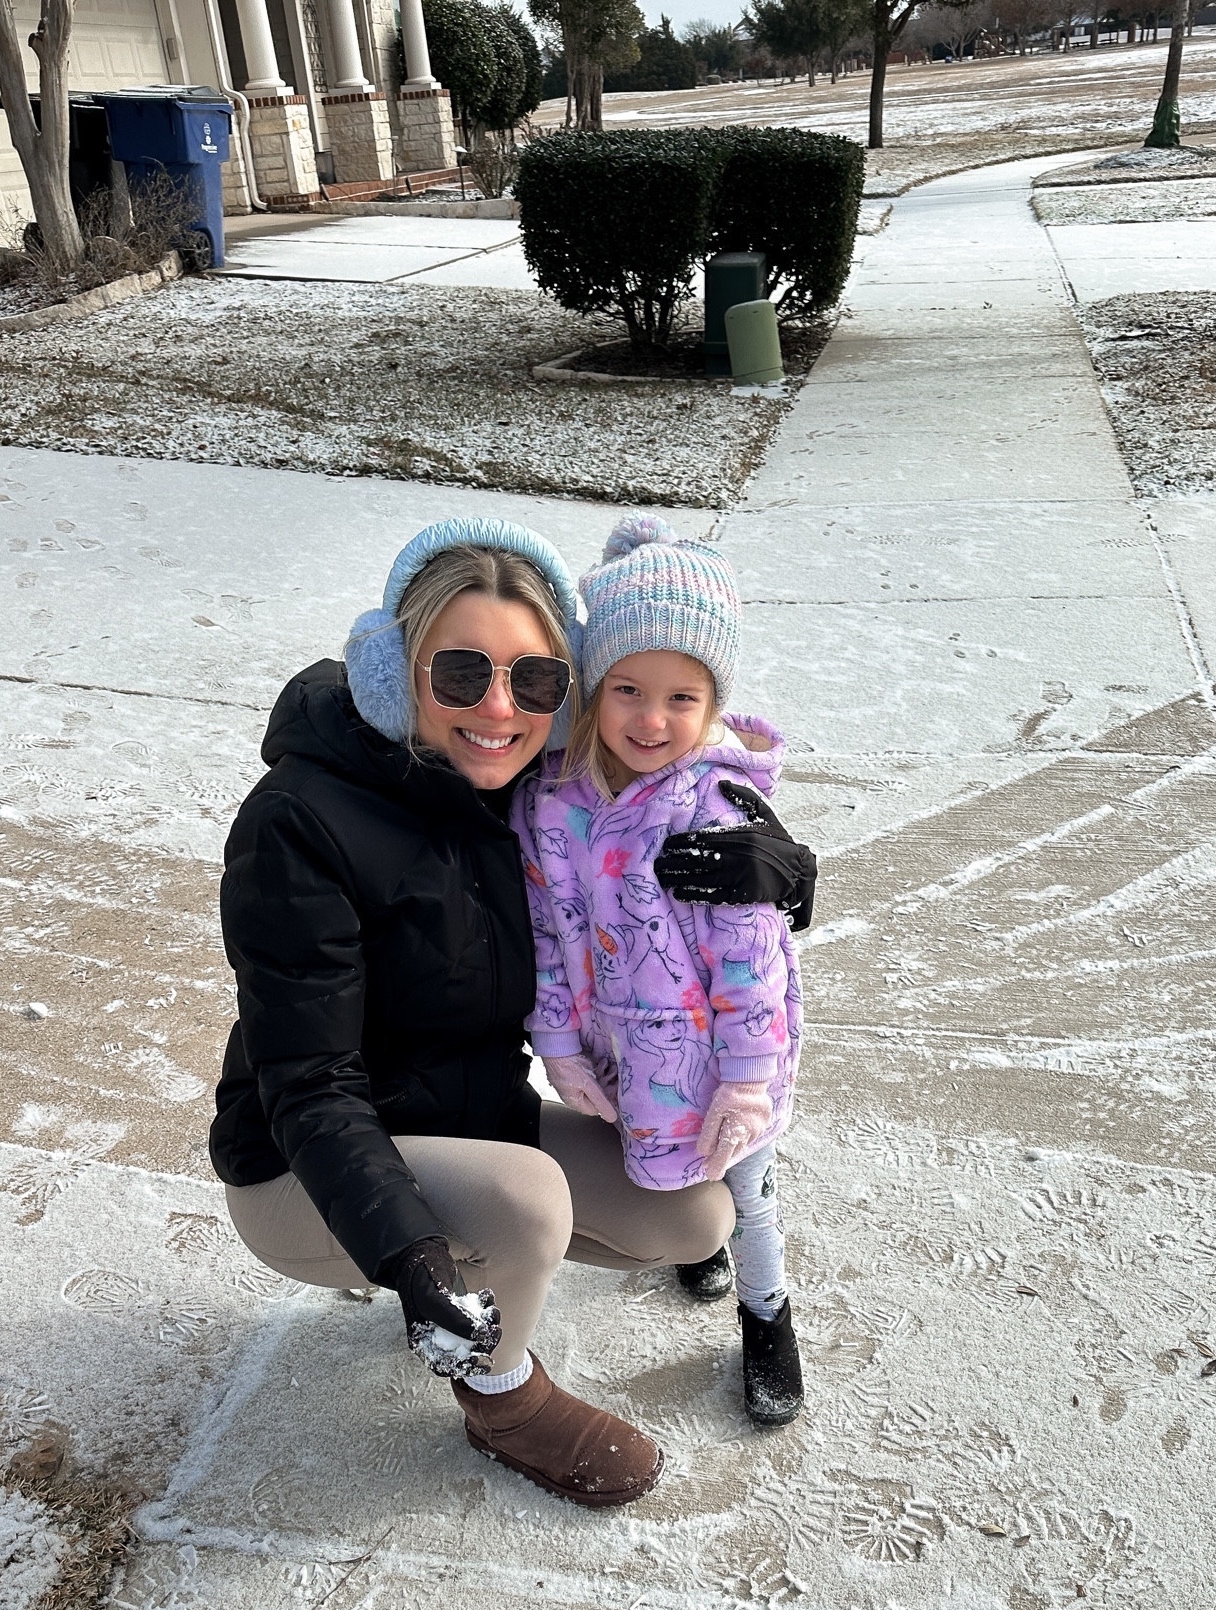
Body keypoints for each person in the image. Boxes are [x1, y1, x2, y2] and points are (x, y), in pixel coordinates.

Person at [208, 517, 816, 1510]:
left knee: (694, 1210)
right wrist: (412, 1258)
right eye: (461, 673)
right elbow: (309, 1084)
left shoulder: (521, 779)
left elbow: (668, 768)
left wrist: (781, 865)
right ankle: (502, 1397)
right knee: (529, 1204)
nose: (499, 709)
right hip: (301, 1161)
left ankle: (486, 1240)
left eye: (534, 682)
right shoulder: (299, 823)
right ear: (396, 669)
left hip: (470, 1118)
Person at [515, 516, 804, 1426]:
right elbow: (545, 933)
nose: (652, 719)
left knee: (746, 1189)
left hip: (723, 1060)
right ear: (592, 688)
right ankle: (692, 1246)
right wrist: (559, 1046)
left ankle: (768, 1315)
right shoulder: (551, 805)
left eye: (683, 698)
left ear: (713, 704)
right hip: (616, 1050)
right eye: (629, 689)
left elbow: (751, 962)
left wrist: (750, 1080)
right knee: (666, 1173)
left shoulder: (715, 813)